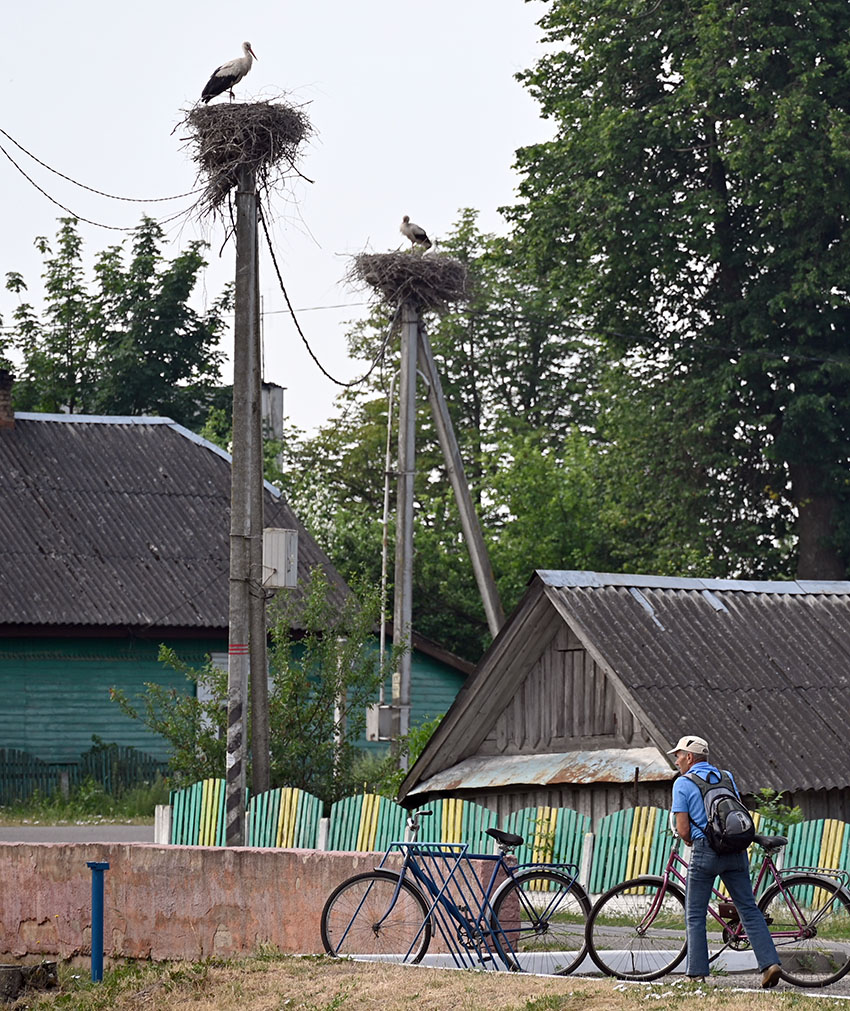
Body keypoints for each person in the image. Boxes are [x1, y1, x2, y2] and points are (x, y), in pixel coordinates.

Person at [669, 734, 781, 988]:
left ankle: (697, 973)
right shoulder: (726, 776)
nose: (676, 761)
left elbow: (683, 829)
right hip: (735, 850)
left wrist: (689, 841)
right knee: (749, 909)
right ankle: (770, 964)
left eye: (678, 756)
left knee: (695, 913)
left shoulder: (683, 783)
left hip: (705, 852)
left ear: (689, 757)